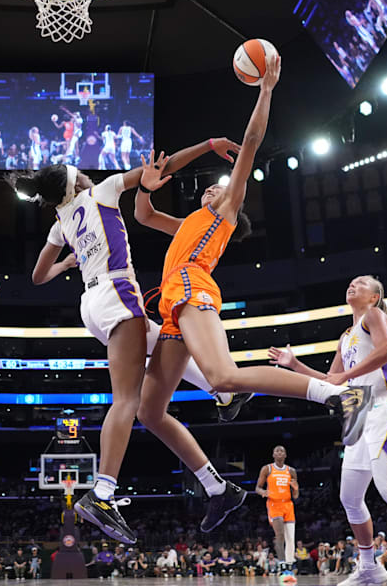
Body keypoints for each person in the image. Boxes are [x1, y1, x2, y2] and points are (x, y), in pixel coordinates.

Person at [132, 54, 368, 536]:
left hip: (193, 288)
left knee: (222, 376)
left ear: (230, 205)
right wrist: (147, 187)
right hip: (174, 304)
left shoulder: (223, 216)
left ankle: (334, 394)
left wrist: (265, 91)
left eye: (221, 188)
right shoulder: (191, 224)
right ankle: (218, 488)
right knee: (149, 412)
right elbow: (143, 217)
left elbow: (253, 145)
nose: (214, 189)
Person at [9, 136, 248, 545]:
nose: (88, 174)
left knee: (168, 344)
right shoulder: (100, 192)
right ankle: (102, 493)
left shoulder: (59, 222)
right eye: (82, 174)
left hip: (92, 303)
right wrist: (206, 146)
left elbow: (37, 277)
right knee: (127, 401)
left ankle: (217, 483)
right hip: (119, 293)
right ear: (78, 183)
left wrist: (68, 259)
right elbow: (164, 165)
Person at [269, 275, 387, 586]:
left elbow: (386, 351)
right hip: (357, 408)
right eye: (351, 282)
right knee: (349, 496)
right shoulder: (345, 336)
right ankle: (369, 566)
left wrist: (348, 376)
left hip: (385, 402)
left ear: (375, 296)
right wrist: (296, 365)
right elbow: (331, 379)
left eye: (362, 283)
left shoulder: (374, 315)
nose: (353, 285)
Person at [255, 445, 298, 582]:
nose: (279, 453)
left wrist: (296, 489)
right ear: (273, 455)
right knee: (280, 536)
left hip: (288, 505)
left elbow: (296, 495)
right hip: (274, 504)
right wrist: (263, 492)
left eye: (282, 451)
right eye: (277, 451)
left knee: (291, 538)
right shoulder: (267, 469)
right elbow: (257, 487)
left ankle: (289, 566)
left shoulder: (291, 471)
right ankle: (282, 566)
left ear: (285, 455)